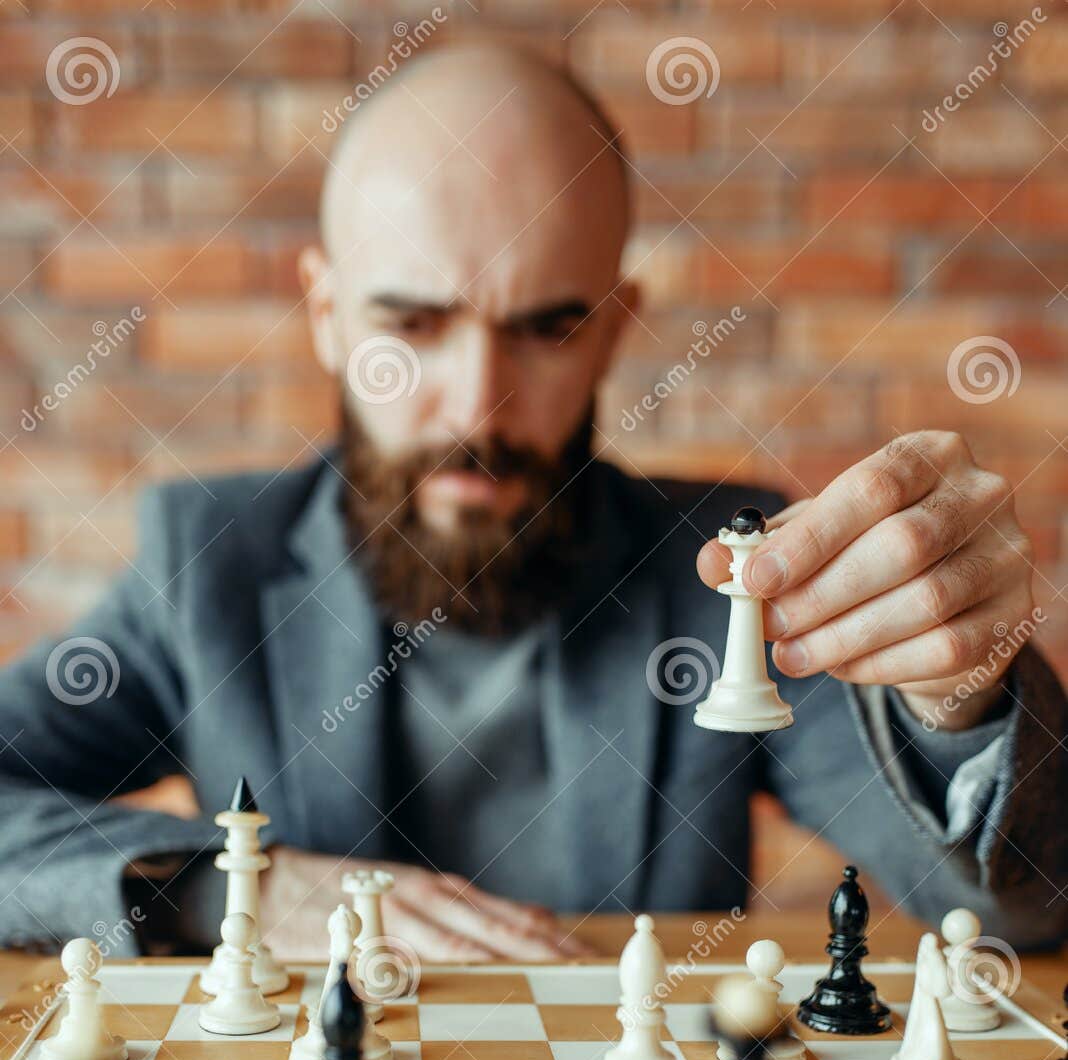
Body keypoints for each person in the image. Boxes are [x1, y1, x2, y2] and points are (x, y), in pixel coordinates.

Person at [0, 43, 1063, 962]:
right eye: (412, 325)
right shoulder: (208, 564)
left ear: (611, 329)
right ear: (326, 316)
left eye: (546, 327)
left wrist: (964, 698)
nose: (476, 405)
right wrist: (245, 888)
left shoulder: (725, 573)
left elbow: (1020, 912)